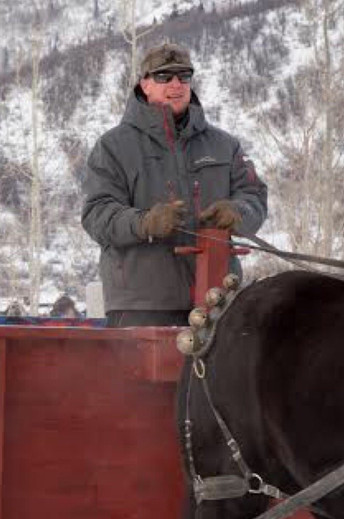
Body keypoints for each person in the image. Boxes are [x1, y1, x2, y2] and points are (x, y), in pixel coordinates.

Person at [81, 43, 268, 327]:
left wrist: (238, 212)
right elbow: (96, 214)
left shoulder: (224, 145)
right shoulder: (113, 147)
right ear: (145, 84)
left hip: (218, 301)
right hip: (142, 305)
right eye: (164, 77)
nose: (176, 84)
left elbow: (254, 196)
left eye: (184, 76)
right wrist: (144, 223)